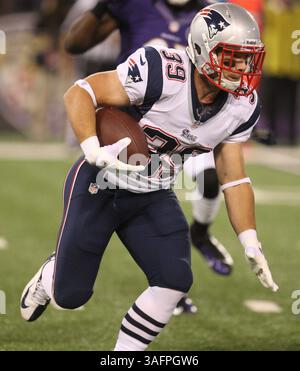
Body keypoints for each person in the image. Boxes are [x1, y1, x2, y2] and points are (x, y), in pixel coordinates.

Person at [20, 3, 278, 351]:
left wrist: (250, 241)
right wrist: (94, 149)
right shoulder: (162, 69)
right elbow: (81, 91)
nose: (243, 69)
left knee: (174, 279)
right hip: (102, 183)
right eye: (232, 57)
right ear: (203, 49)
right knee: (70, 296)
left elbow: (233, 178)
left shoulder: (242, 106)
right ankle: (53, 273)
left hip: (153, 192)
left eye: (248, 59)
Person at [63, 0, 233, 315]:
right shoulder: (135, 5)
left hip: (188, 127)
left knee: (206, 181)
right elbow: (74, 44)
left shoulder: (212, 16)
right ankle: (61, 269)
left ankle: (193, 245)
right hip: (134, 130)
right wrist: (104, 5)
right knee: (112, 204)